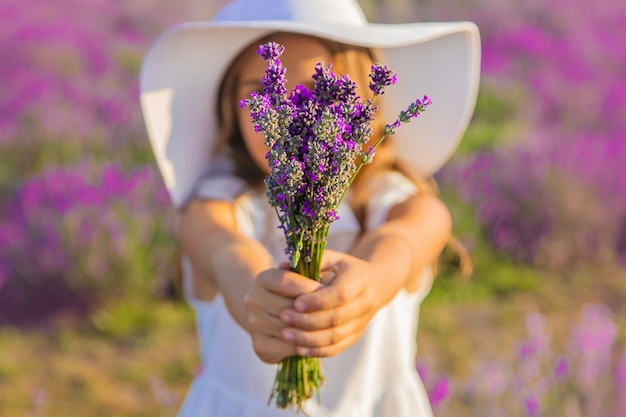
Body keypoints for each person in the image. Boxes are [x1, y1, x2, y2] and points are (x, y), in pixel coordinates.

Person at [139, 0, 480, 415]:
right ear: (233, 107)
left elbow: (417, 231)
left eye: (318, 92)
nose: (293, 111)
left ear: (362, 107)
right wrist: (256, 294)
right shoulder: (218, 205)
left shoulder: (388, 200)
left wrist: (373, 283)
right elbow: (223, 249)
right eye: (264, 94)